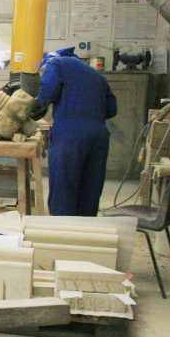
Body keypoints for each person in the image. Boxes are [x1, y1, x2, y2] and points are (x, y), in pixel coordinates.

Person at [36, 47, 118, 216]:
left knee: (64, 186)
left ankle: (61, 233)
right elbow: (112, 110)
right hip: (98, 135)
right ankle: (83, 234)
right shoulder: (97, 75)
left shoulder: (56, 63)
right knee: (90, 188)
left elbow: (45, 95)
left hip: (70, 135)